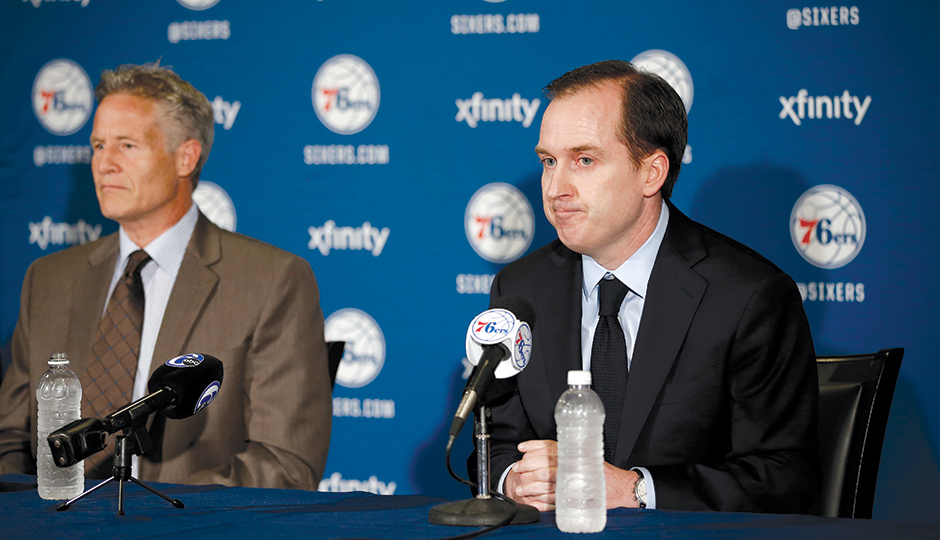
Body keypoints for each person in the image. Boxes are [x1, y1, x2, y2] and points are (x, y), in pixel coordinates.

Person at [474, 60, 820, 514]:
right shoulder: (521, 288)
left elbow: (783, 476)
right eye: (548, 161)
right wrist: (515, 482)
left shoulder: (748, 296)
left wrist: (635, 490)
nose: (555, 188)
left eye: (584, 160)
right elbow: (497, 440)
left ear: (651, 172)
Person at [0, 62, 332, 490]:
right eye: (98, 145)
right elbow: (9, 439)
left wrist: (157, 521)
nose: (104, 164)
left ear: (186, 157)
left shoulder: (272, 281)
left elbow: (285, 463)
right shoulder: (48, 279)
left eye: (127, 145)